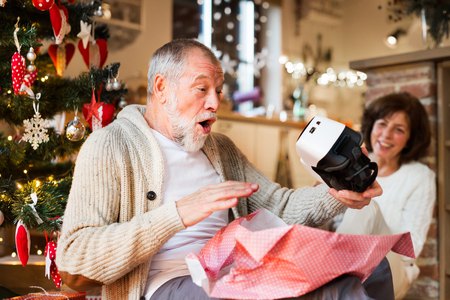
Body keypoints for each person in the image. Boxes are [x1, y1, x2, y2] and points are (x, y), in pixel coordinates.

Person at [56, 38, 389, 300]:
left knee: (373, 268)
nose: (215, 103)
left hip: (242, 269)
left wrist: (337, 195)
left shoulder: (221, 149)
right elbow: (73, 258)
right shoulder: (110, 146)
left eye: (218, 90)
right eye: (202, 89)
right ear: (161, 88)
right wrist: (178, 213)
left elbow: (279, 206)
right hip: (169, 284)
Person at [334, 92, 436, 299]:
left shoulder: (419, 176)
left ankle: (331, 279)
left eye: (398, 129)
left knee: (366, 206)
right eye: (382, 124)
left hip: (393, 267)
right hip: (350, 260)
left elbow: (412, 247)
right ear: (371, 126)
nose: (386, 134)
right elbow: (336, 227)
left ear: (410, 139)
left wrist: (371, 233)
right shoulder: (348, 166)